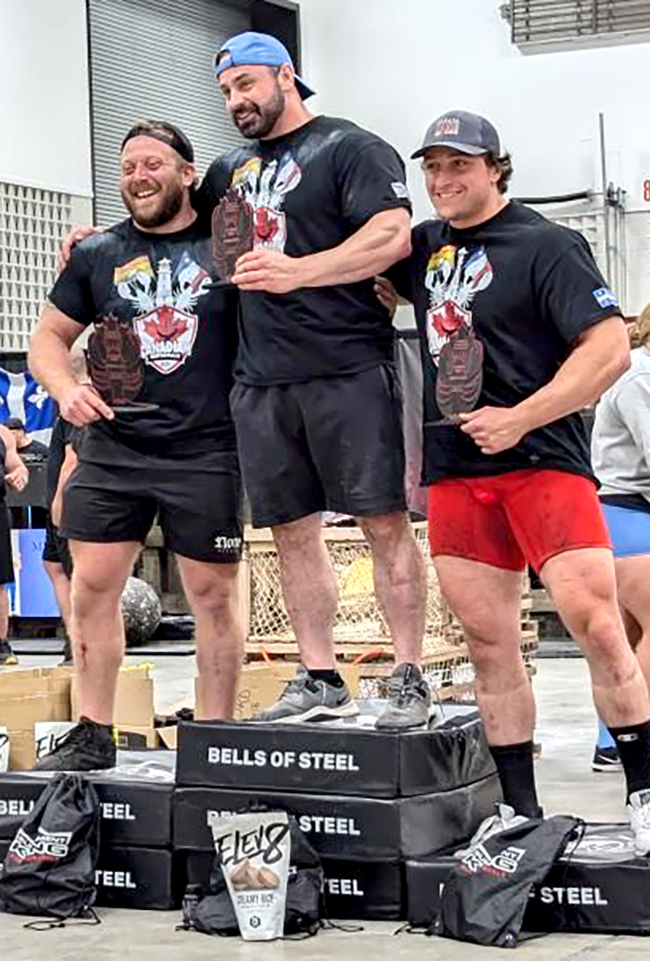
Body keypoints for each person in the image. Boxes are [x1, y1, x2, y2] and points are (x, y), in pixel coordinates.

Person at [383, 109, 650, 852]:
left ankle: (643, 792)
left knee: (598, 626)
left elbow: (609, 349)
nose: (443, 180)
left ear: (497, 168)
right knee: (489, 643)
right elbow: (344, 253)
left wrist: (521, 418)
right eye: (433, 167)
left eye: (459, 165)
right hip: (457, 472)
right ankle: (519, 810)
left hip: (543, 463)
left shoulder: (547, 245)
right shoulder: (422, 248)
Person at [200, 31, 429, 728]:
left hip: (348, 368)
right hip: (261, 380)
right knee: (291, 533)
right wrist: (95, 242)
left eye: (245, 84)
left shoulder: (348, 148)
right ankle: (320, 675)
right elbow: (178, 230)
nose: (236, 101)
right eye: (226, 92)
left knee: (384, 522)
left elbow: (390, 235)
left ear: (285, 76)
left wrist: (298, 271)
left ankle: (409, 673)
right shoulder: (227, 170)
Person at [28, 120, 243, 771]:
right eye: (127, 168)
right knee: (91, 586)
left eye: (153, 164)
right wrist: (64, 389)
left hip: (206, 446)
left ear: (187, 173)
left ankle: (218, 735)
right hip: (114, 446)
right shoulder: (98, 254)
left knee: (212, 594)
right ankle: (94, 731)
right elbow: (47, 340)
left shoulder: (227, 248)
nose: (139, 176)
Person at [590, 307, 650, 771]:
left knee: (625, 638)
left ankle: (612, 742)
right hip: (629, 513)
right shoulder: (639, 378)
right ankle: (641, 737)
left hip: (622, 515)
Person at [41, 347, 87, 665]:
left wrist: (59, 503)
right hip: (61, 506)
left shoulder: (77, 403)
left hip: (70, 506)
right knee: (53, 565)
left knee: (75, 575)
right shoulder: (69, 405)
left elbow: (72, 458)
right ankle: (73, 637)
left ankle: (81, 644)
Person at [0, 424, 29, 665]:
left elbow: (18, 467)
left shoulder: (3, 434)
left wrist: (20, 474)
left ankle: (1, 644)